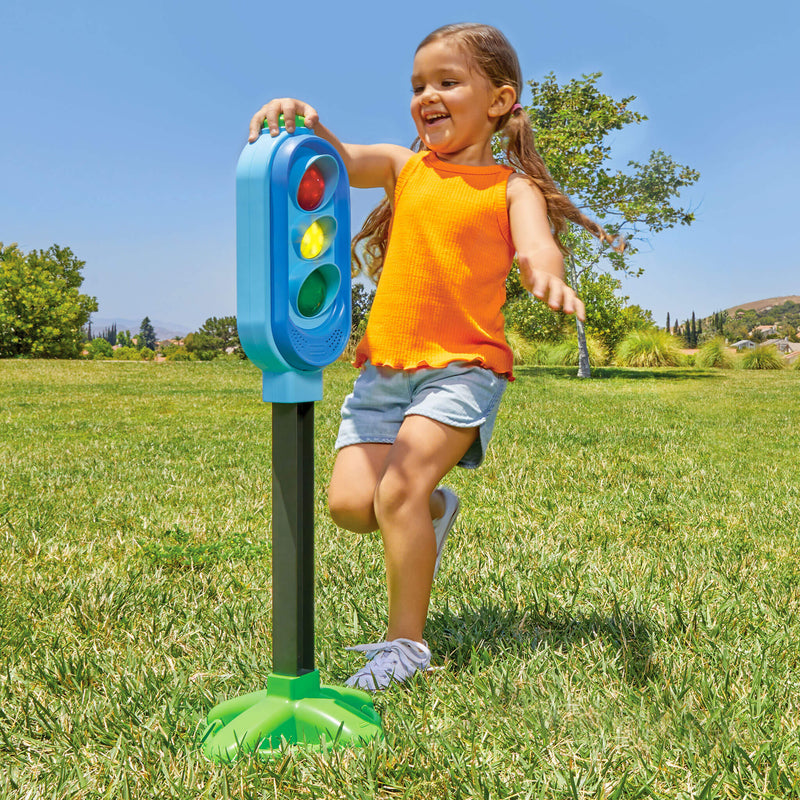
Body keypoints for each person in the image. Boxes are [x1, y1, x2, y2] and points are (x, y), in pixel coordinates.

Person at [249, 23, 620, 691]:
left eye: (447, 82)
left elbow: (538, 245)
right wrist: (307, 121)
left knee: (399, 490)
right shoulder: (403, 166)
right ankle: (434, 511)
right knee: (351, 507)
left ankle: (405, 646)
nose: (428, 96)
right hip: (384, 372)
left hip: (465, 367)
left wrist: (545, 273)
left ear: (499, 99)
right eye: (419, 85)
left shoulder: (512, 190)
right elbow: (339, 159)